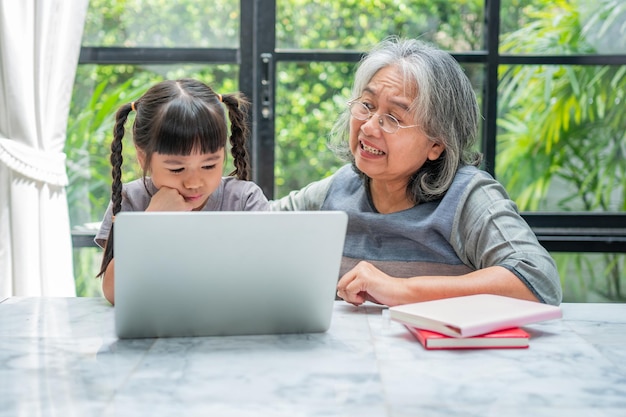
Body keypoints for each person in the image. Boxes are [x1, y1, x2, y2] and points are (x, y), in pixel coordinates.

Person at [270, 37, 562, 307]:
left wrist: (402, 289)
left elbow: (538, 280)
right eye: (367, 105)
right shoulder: (336, 190)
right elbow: (253, 224)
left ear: (436, 143)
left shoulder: (468, 198)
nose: (369, 127)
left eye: (393, 118)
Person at [95, 78, 269, 305]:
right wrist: (152, 222)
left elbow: (264, 280)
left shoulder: (245, 199)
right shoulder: (130, 200)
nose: (194, 183)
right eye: (177, 169)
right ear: (142, 157)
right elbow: (114, 293)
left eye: (209, 165)